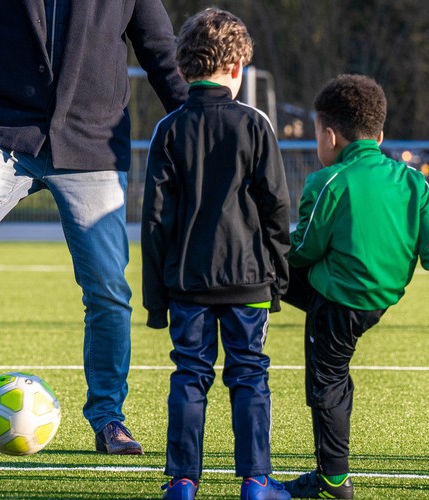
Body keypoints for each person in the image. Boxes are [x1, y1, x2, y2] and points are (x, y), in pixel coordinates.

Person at [0, 0, 189, 455]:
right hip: (6, 134)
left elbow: (161, 51)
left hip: (93, 144)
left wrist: (197, 119)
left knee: (108, 288)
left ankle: (108, 418)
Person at [281, 74, 429, 499]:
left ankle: (332, 478)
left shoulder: (326, 180)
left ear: (329, 135)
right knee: (337, 374)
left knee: (324, 383)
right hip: (379, 300)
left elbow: (305, 250)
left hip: (337, 300)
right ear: (380, 134)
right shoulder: (412, 181)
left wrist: (275, 260)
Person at [142, 10, 292, 499]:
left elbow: (155, 220)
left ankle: (182, 482)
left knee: (189, 375)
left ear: (184, 70)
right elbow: (275, 206)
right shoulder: (255, 124)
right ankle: (256, 481)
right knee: (249, 374)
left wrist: (155, 297)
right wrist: (279, 278)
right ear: (238, 67)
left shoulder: (168, 129)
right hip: (248, 279)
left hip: (187, 282)